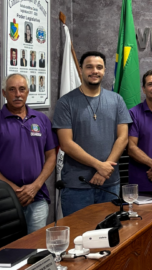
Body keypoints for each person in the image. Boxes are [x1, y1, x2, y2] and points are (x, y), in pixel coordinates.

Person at [52, 51, 132, 216]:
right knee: (79, 230)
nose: (94, 71)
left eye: (99, 67)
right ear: (81, 69)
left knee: (109, 229)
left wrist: (105, 169)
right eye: (89, 67)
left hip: (110, 183)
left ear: (104, 71)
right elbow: (66, 144)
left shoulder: (117, 100)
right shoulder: (65, 102)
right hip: (77, 186)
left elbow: (123, 138)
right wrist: (99, 166)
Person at [0, 74, 57, 233]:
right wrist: (12, 189)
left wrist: (35, 186)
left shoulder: (42, 120)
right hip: (3, 200)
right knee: (9, 246)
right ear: (4, 93)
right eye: (12, 89)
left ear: (28, 92)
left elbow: (51, 156)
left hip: (37, 197)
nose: (17, 94)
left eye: (22, 89)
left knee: (36, 245)